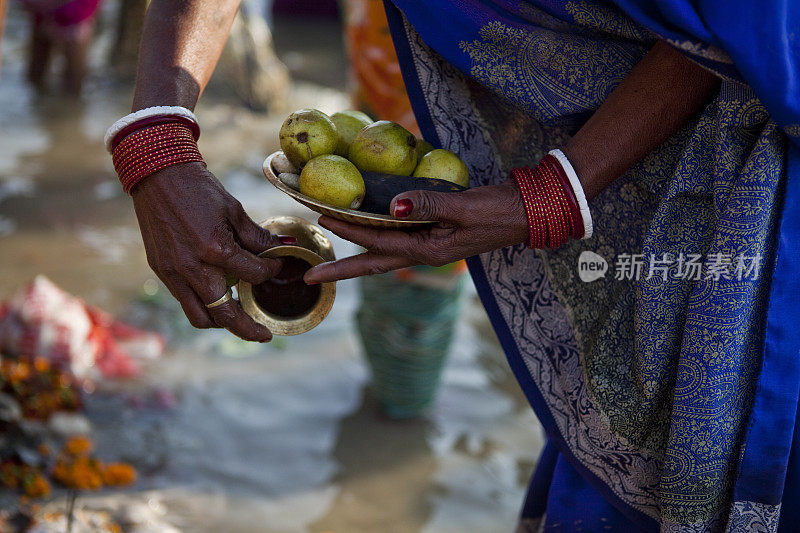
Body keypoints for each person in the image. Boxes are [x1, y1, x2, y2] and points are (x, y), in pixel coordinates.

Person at [109, 0, 800, 531]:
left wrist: (558, 189)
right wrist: (157, 139)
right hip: (488, 123)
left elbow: (745, 20)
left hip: (738, 181)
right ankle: (395, 415)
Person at [19, 0, 101, 94]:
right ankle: (38, 100)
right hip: (42, 9)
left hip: (74, 12)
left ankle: (68, 104)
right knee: (36, 72)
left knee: (74, 78)